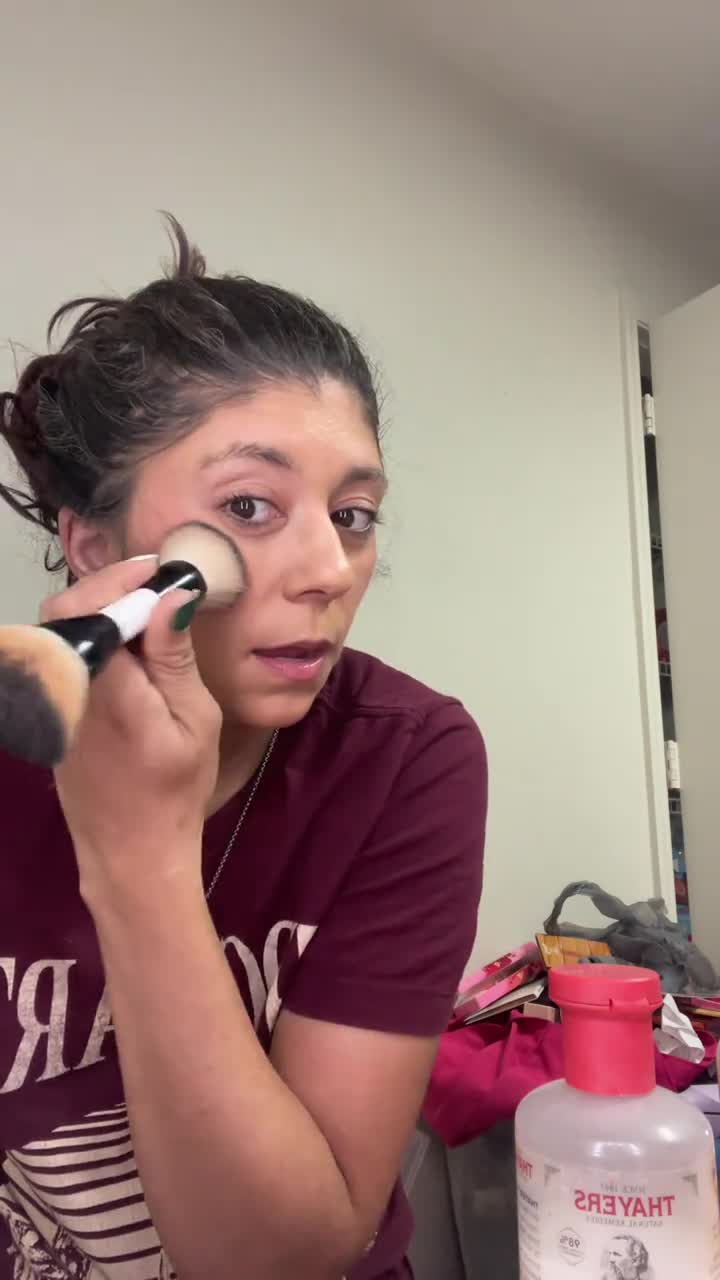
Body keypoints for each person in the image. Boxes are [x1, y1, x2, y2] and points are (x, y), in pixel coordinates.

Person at [0, 219, 487, 1280]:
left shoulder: (406, 758)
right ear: (93, 545)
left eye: (354, 514)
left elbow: (283, 1257)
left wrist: (138, 856)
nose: (331, 568)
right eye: (251, 506)